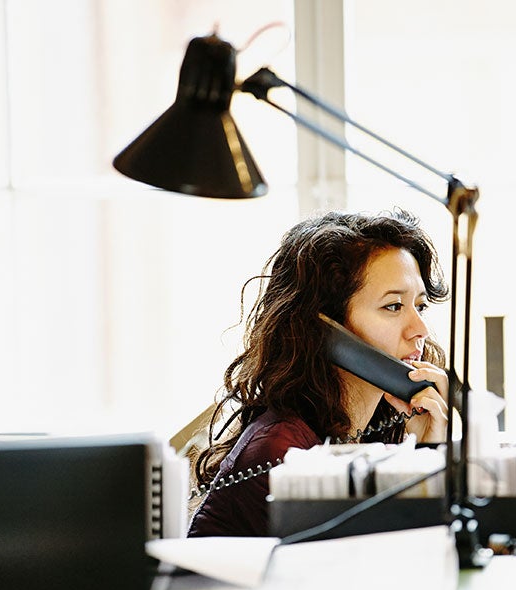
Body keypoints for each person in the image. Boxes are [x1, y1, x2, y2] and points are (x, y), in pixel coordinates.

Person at [187, 209, 450, 537]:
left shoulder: (368, 432)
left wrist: (428, 448)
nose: (420, 329)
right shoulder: (281, 451)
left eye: (420, 306)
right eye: (394, 306)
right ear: (327, 331)